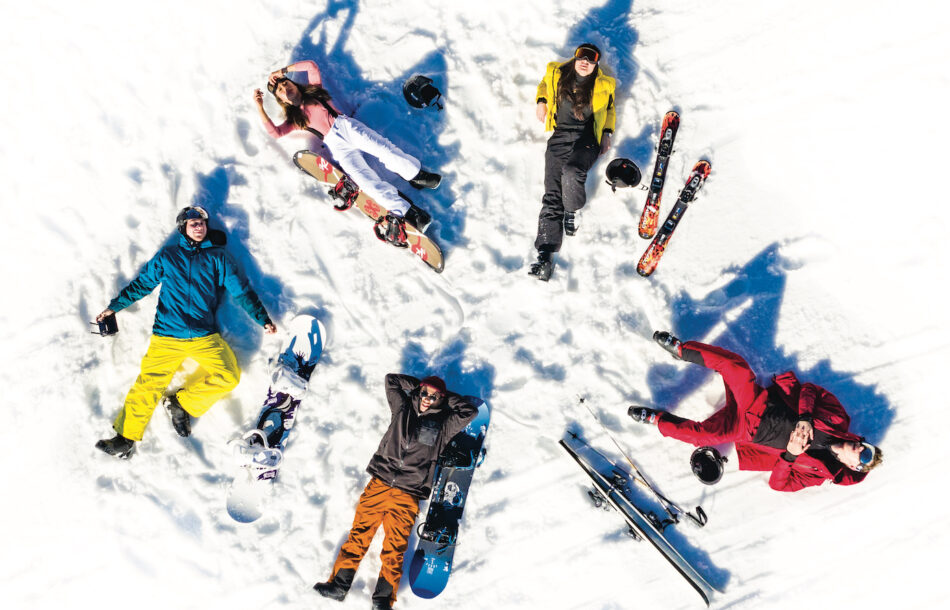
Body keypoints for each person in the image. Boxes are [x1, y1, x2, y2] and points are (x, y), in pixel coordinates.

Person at [95, 206, 277, 459]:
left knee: (228, 375)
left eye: (202, 223)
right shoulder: (168, 256)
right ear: (183, 228)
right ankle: (125, 438)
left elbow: (241, 291)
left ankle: (182, 404)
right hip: (166, 336)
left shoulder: (218, 257)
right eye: (193, 223)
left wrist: (262, 318)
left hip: (204, 337)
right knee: (148, 385)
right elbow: (142, 284)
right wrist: (114, 307)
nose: (199, 227)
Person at [629, 332, 883, 492]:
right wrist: (805, 417)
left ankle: (655, 419)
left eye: (864, 458)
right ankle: (682, 350)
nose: (862, 450)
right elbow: (810, 390)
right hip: (758, 403)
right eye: (866, 447)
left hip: (746, 431)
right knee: (735, 367)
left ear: (853, 467)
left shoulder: (817, 474)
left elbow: (779, 484)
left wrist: (791, 456)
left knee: (701, 437)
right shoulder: (839, 419)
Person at [313, 374, 477, 609]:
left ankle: (382, 600)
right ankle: (339, 586)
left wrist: (444, 395)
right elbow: (391, 380)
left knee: (394, 547)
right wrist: (421, 387)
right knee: (359, 535)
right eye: (424, 393)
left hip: (407, 494)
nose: (427, 399)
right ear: (418, 392)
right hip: (379, 484)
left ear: (441, 399)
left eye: (434, 396)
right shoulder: (402, 409)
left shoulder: (443, 424)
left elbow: (468, 412)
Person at [253, 60, 440, 245]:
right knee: (366, 182)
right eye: (280, 91)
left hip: (346, 126)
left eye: (286, 83)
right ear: (282, 100)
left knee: (384, 149)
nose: (285, 89)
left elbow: (311, 66)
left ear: (294, 84)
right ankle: (410, 213)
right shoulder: (295, 119)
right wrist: (260, 106)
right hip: (336, 147)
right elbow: (275, 133)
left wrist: (283, 70)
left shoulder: (314, 90)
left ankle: (416, 175)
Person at [529, 43, 616, 280]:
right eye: (581, 56)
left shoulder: (604, 85)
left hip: (586, 138)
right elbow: (544, 85)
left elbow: (609, 109)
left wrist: (607, 132)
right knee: (551, 195)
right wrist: (541, 100)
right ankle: (545, 253)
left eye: (591, 58)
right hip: (559, 137)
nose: (585, 61)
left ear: (596, 63)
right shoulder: (557, 73)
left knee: (572, 171)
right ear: (575, 57)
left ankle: (571, 210)